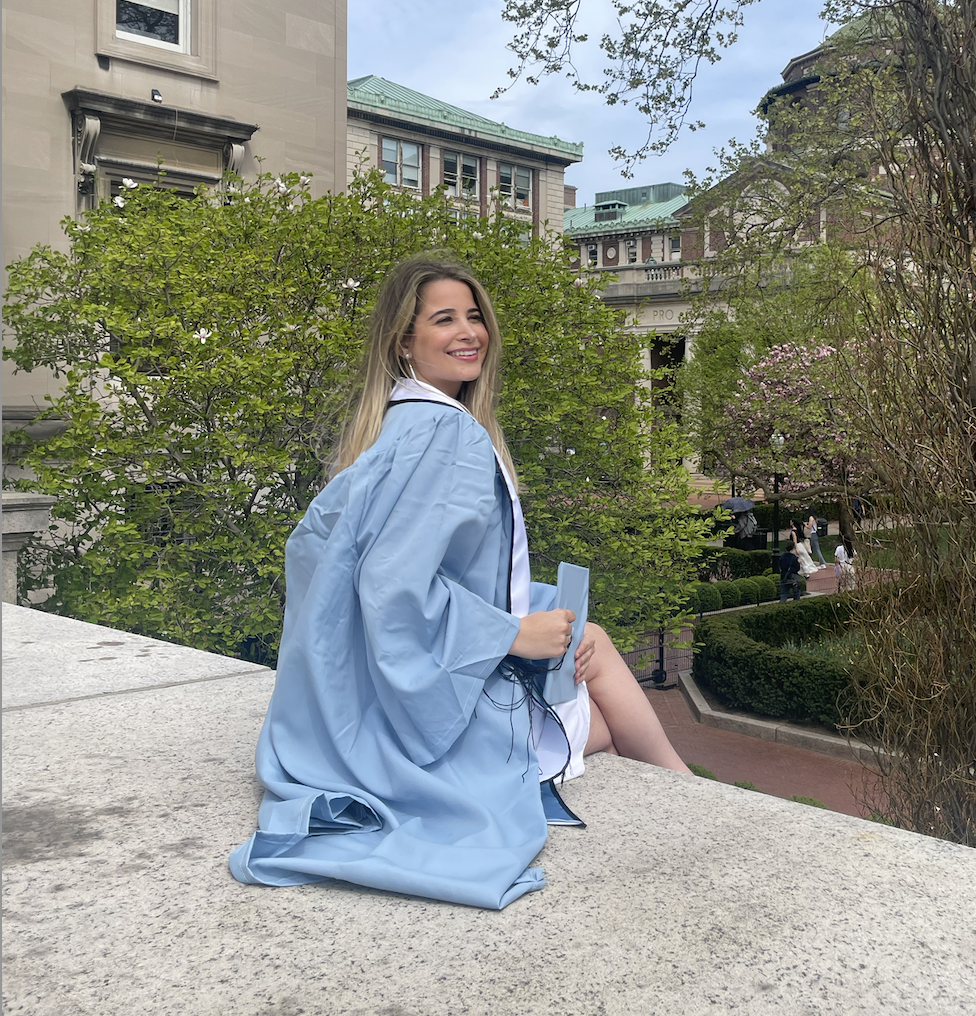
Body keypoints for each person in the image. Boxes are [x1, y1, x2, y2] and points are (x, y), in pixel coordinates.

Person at [230, 255, 688, 910]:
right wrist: (513, 634)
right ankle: (693, 789)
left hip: (353, 713)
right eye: (444, 319)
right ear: (403, 341)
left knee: (594, 647)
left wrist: (535, 619)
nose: (469, 331)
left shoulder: (394, 428)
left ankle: (682, 782)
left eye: (474, 316)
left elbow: (342, 572)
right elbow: (393, 592)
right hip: (407, 721)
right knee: (605, 708)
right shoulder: (449, 435)